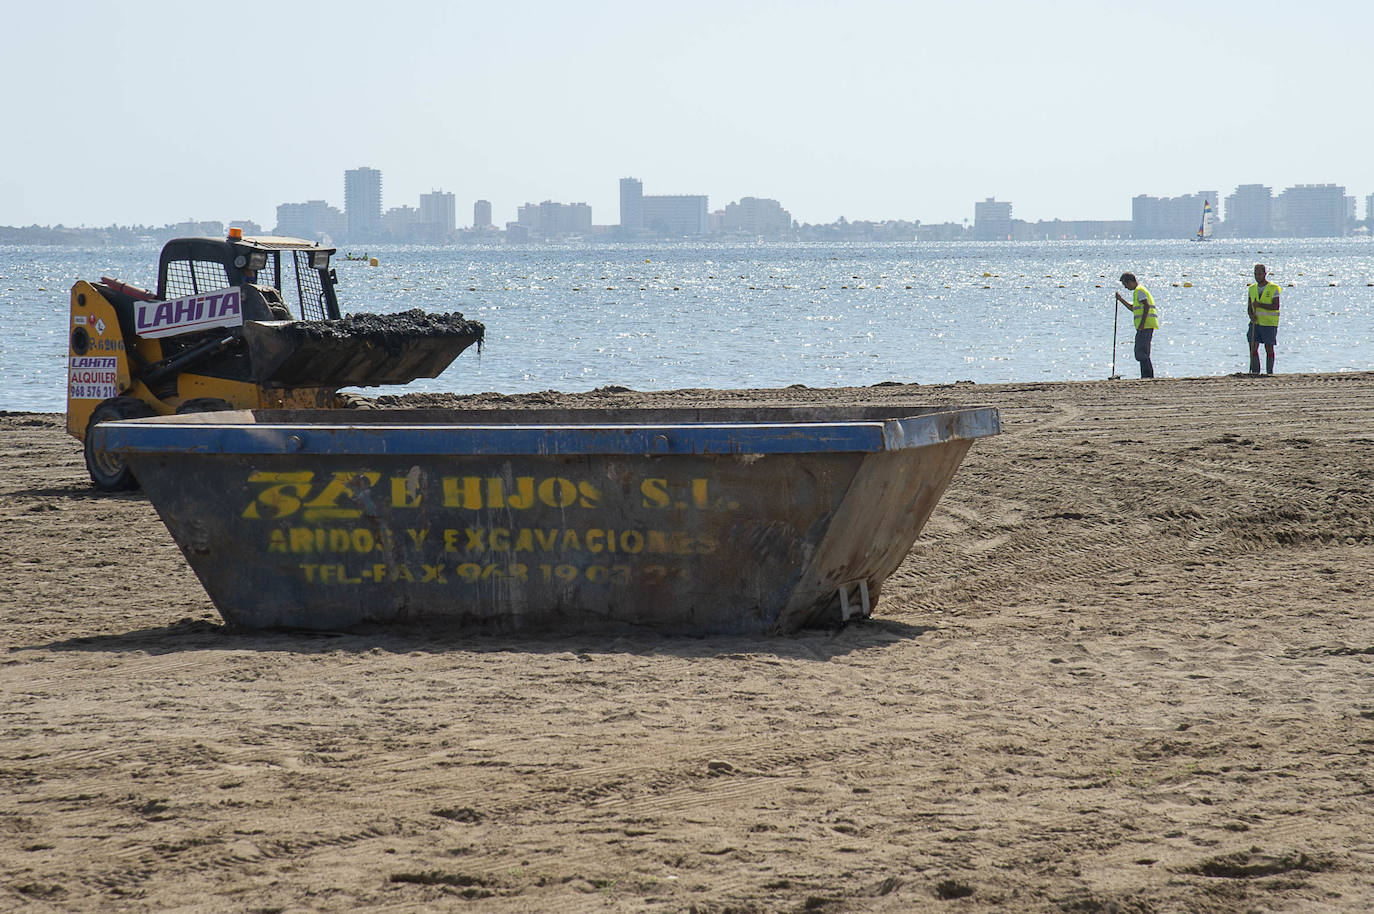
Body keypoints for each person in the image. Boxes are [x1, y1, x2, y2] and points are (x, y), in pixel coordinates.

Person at [1114, 272, 1158, 378]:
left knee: (1141, 352)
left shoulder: (1139, 291)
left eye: (1125, 284)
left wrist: (1142, 324)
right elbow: (1133, 308)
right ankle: (1146, 376)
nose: (1125, 287)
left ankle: (1147, 376)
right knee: (1141, 351)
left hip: (1145, 326)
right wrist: (1120, 300)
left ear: (1130, 282)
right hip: (1144, 326)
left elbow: (1146, 306)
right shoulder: (1138, 292)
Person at [1247, 264, 1281, 375]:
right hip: (1255, 323)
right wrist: (1251, 316)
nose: (1257, 276)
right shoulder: (1252, 288)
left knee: (1269, 348)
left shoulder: (1273, 288)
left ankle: (1269, 372)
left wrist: (1260, 305)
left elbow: (1276, 306)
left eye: (1260, 274)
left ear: (1265, 274)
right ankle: (1255, 372)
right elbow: (1249, 306)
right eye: (1255, 274)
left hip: (1269, 323)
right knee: (1253, 346)